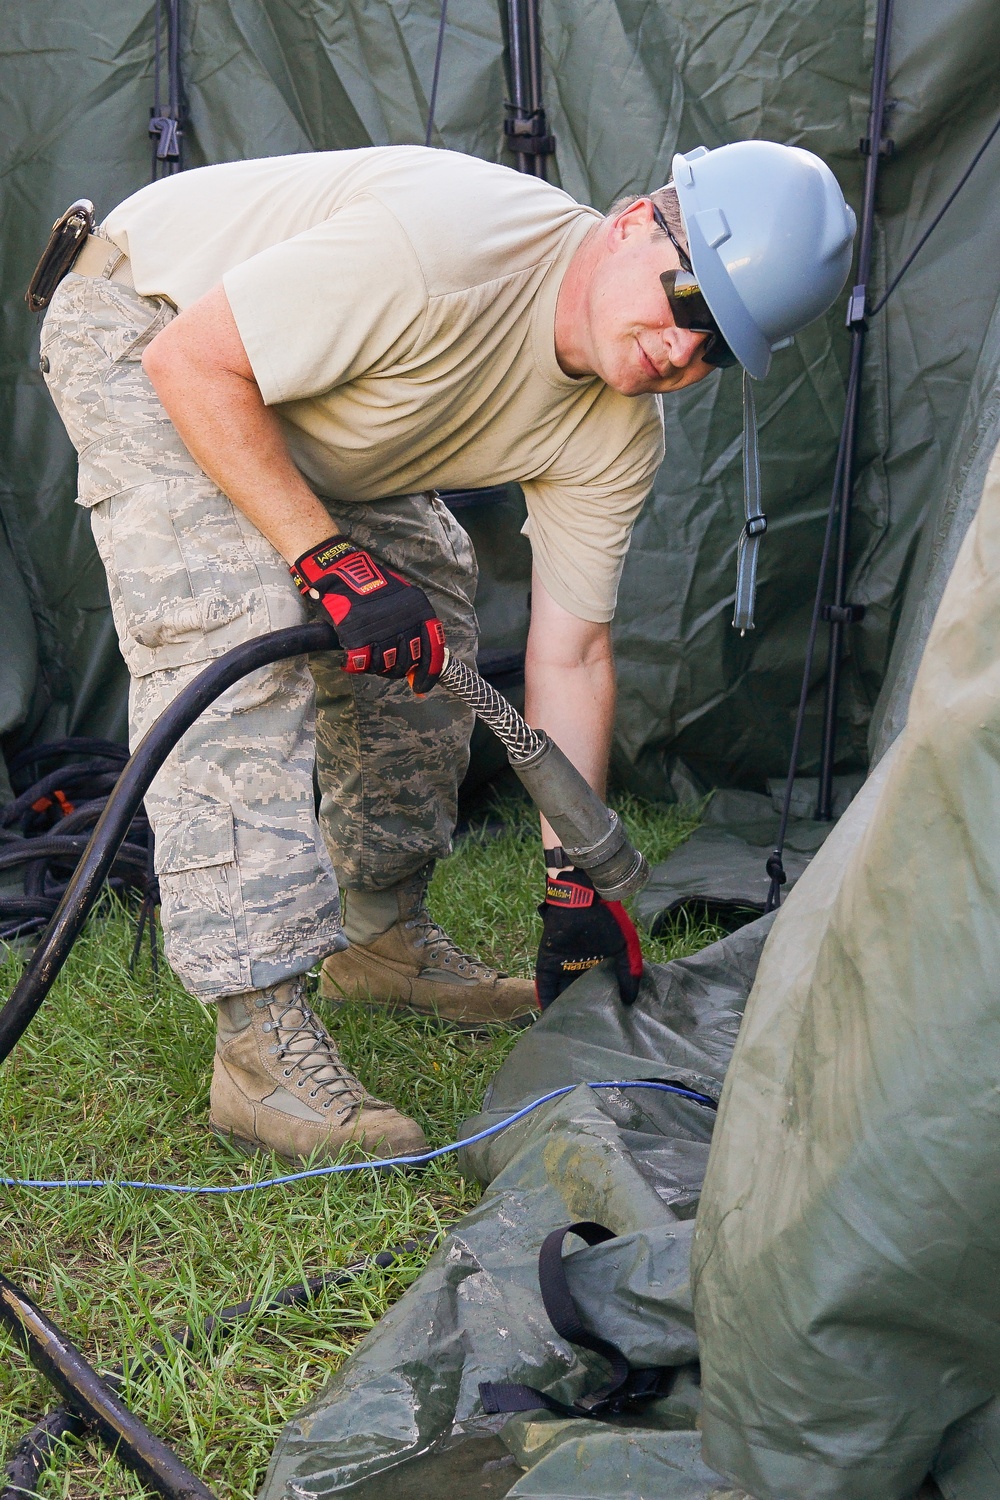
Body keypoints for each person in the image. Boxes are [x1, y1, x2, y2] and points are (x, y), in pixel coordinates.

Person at [36, 141, 855, 1163]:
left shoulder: (617, 425)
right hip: (149, 319)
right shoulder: (450, 254)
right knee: (234, 619)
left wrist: (577, 890)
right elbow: (192, 363)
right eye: (691, 306)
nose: (684, 357)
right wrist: (327, 559)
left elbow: (574, 654)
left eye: (720, 351)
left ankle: (380, 935)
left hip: (311, 399)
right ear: (637, 221)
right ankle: (257, 1043)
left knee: (431, 619)